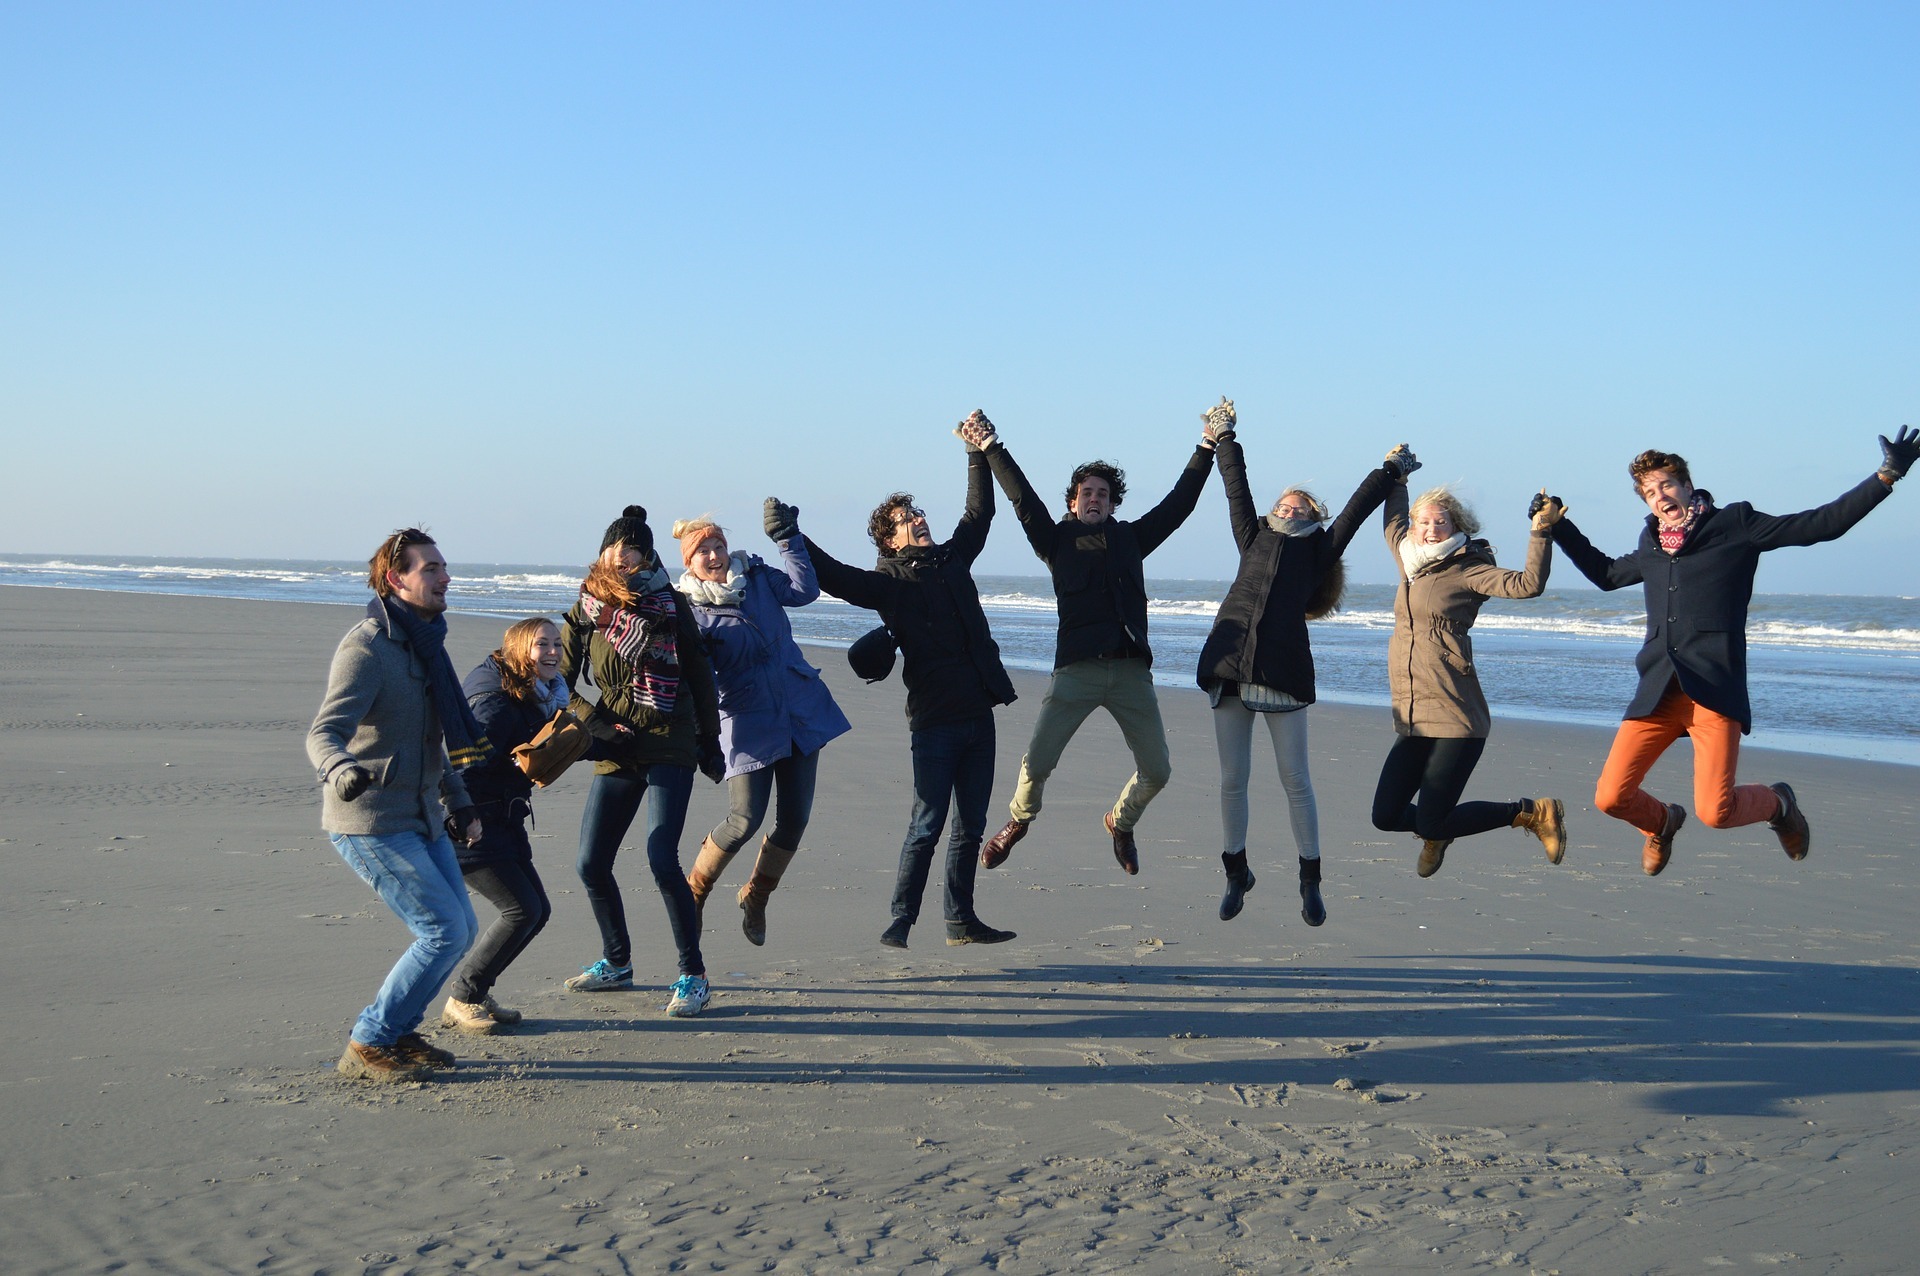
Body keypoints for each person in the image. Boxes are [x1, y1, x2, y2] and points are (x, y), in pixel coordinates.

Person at [1545, 428, 1917, 875]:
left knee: (1716, 812)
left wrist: (1886, 476)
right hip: (1658, 690)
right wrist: (1559, 527)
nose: (1659, 496)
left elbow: (1820, 525)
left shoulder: (1735, 524)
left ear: (1687, 485)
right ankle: (1661, 822)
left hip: (1712, 690)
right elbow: (1606, 575)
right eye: (1649, 492)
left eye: (1666, 485)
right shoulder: (1651, 543)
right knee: (1610, 797)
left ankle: (1779, 804)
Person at [802, 414, 1019, 949]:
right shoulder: (889, 583)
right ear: (889, 539)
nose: (918, 519)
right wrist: (792, 535)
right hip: (934, 721)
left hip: (979, 714)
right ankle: (900, 919)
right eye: (905, 519)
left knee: (970, 827)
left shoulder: (953, 558)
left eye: (917, 513)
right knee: (927, 824)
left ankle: (960, 920)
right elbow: (835, 576)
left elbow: (980, 513)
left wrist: (975, 454)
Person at [1194, 398, 1410, 924]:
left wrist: (1390, 470)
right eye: (1284, 506)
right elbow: (1236, 487)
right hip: (1229, 665)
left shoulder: (1320, 550)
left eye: (1300, 509)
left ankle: (1310, 880)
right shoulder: (1253, 535)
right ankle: (1235, 873)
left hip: (1282, 671)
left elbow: (1357, 508)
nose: (1289, 511)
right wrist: (1224, 435)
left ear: (1316, 518)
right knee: (1232, 779)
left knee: (1296, 779)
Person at [976, 407, 1217, 875]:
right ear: (1073, 502)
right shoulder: (1055, 540)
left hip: (1130, 672)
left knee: (1158, 770)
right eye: (1086, 492)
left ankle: (1120, 823)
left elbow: (1179, 504)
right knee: (1037, 763)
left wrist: (1206, 447)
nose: (1094, 499)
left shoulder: (1132, 539)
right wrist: (990, 447)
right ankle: (1019, 820)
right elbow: (1022, 498)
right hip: (1077, 671)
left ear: (1112, 504)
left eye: (1103, 494)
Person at [307, 528, 485, 1082]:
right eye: (430, 568)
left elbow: (432, 742)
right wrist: (341, 770)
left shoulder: (426, 644)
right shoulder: (367, 648)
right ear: (395, 579)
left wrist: (459, 802)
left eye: (444, 567)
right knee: (442, 930)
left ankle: (401, 1031)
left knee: (461, 928)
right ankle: (369, 1041)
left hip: (423, 816)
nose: (445, 577)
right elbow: (323, 732)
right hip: (370, 819)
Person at [559, 506, 723, 1016]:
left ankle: (693, 975)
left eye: (633, 549)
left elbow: (699, 674)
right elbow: (558, 684)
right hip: (615, 740)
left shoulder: (671, 604)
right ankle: (617, 962)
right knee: (590, 862)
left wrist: (710, 741)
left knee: (660, 857)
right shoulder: (587, 607)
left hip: (670, 735)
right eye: (616, 547)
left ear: (648, 556)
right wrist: (597, 726)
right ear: (603, 553)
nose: (623, 557)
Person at [674, 500, 852, 946]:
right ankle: (694, 892)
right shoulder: (690, 612)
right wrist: (701, 736)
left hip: (798, 710)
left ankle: (756, 896)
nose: (714, 556)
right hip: (747, 721)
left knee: (794, 820)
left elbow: (804, 590)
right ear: (690, 562)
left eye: (718, 546)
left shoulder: (755, 576)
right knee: (744, 819)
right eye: (703, 551)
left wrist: (788, 540)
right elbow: (698, 680)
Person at [1370, 480, 1568, 877]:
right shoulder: (1409, 558)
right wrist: (1398, 478)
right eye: (1424, 522)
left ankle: (1532, 813)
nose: (1431, 529)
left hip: (1455, 714)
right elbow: (1392, 521)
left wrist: (1541, 531)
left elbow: (1528, 585)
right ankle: (1439, 831)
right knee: (1386, 816)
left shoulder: (1468, 569)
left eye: (1440, 522)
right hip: (1413, 717)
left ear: (1456, 525)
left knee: (1432, 821)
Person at [437, 617, 572, 1034]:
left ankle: (476, 991)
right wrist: (460, 816)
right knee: (521, 910)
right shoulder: (494, 702)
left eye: (557, 644)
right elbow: (460, 764)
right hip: (474, 824)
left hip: (504, 818)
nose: (553, 652)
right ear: (519, 650)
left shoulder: (537, 695)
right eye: (542, 644)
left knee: (537, 911)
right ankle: (464, 996)